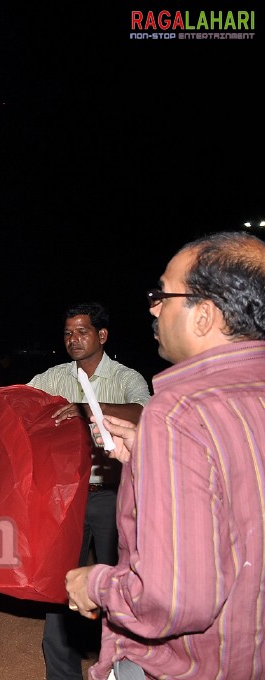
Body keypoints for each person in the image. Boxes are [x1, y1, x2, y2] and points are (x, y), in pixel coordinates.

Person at [66, 231, 265, 680]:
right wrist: (147, 456)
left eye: (163, 294)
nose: (153, 307)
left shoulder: (178, 412)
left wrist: (93, 582)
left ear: (204, 316)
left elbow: (175, 600)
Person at [26, 303, 150, 680]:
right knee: (60, 585)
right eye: (67, 333)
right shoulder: (54, 376)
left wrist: (87, 409)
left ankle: (124, 668)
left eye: (81, 331)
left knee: (124, 583)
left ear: (102, 336)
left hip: (115, 495)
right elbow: (19, 400)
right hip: (68, 498)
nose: (73, 339)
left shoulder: (126, 377)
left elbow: (145, 413)